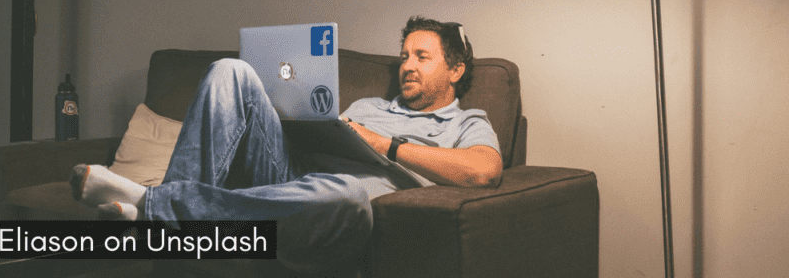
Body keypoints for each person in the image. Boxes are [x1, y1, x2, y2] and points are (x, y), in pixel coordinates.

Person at [70, 16, 503, 272]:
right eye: (405, 55)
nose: (407, 65)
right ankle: (173, 220)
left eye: (421, 57)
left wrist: (382, 143)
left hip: (333, 209)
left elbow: (482, 171)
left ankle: (155, 206)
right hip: (287, 175)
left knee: (348, 192)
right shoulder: (369, 103)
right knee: (230, 71)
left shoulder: (465, 122)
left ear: (456, 70)